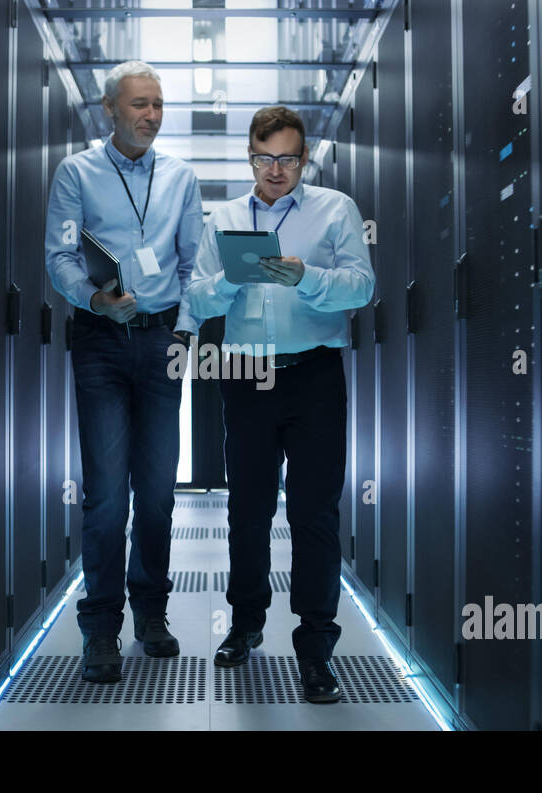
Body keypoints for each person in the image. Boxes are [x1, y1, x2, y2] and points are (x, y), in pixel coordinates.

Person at [185, 106, 375, 702]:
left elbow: (362, 287)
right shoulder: (224, 218)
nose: (276, 170)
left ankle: (316, 647)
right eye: (265, 158)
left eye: (288, 158)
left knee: (314, 514)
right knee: (247, 508)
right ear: (250, 156)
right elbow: (196, 299)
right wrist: (230, 283)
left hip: (314, 373)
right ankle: (245, 626)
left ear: (304, 158)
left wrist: (307, 278)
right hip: (245, 374)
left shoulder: (335, 209)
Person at [44, 60, 203, 683]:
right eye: (140, 104)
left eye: (158, 104)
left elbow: (193, 265)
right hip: (100, 342)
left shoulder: (181, 177)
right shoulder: (77, 172)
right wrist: (93, 298)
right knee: (108, 496)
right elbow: (59, 255)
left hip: (162, 339)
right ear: (109, 110)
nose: (151, 115)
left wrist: (186, 330)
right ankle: (101, 628)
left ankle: (152, 616)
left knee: (158, 493)